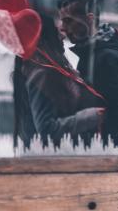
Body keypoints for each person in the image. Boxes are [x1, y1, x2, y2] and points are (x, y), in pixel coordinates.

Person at [13, 14, 106, 149]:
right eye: (56, 32)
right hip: (53, 161)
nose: (63, 36)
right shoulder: (43, 75)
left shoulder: (46, 71)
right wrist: (91, 116)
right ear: (46, 38)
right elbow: (46, 129)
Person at [57, 0, 118, 147]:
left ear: (89, 20)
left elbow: (117, 117)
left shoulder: (107, 58)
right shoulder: (91, 55)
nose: (63, 28)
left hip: (104, 157)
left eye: (68, 21)